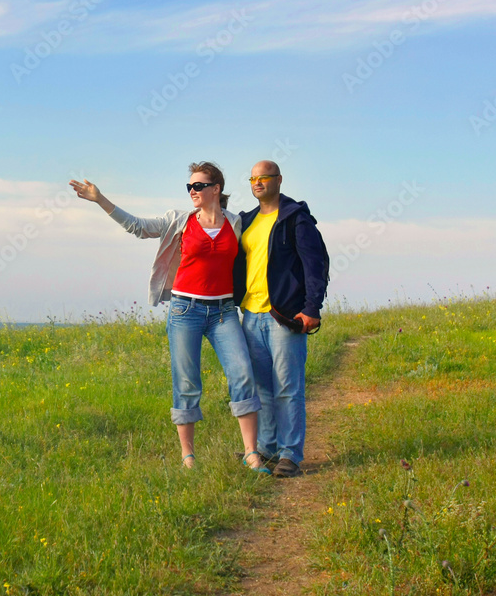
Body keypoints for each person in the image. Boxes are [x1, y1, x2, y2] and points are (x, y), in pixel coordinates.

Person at [70, 162, 270, 473]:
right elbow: (138, 226)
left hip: (223, 312)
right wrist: (100, 199)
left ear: (215, 189)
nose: (193, 191)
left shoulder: (236, 223)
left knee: (242, 373)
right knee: (187, 382)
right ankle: (188, 457)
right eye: (189, 186)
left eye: (199, 186)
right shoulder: (178, 220)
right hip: (185, 311)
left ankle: (251, 453)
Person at [233, 160, 330, 478]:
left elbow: (315, 265)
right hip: (251, 316)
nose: (258, 182)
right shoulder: (246, 221)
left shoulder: (295, 218)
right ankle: (268, 448)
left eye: (264, 177)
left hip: (284, 317)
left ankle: (290, 455)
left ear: (278, 180)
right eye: (253, 178)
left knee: (288, 387)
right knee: (262, 388)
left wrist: (312, 308)